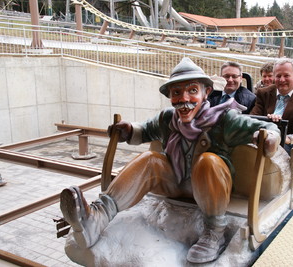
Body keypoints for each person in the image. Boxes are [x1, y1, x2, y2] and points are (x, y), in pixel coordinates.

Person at [60, 57, 281, 264]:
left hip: (211, 190)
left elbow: (269, 128)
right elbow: (144, 130)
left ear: (206, 93)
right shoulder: (168, 119)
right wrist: (128, 130)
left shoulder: (225, 120)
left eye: (192, 91)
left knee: (208, 161)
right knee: (150, 159)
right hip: (175, 184)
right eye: (177, 92)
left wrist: (270, 138)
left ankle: (214, 233)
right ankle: (97, 218)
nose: (184, 99)